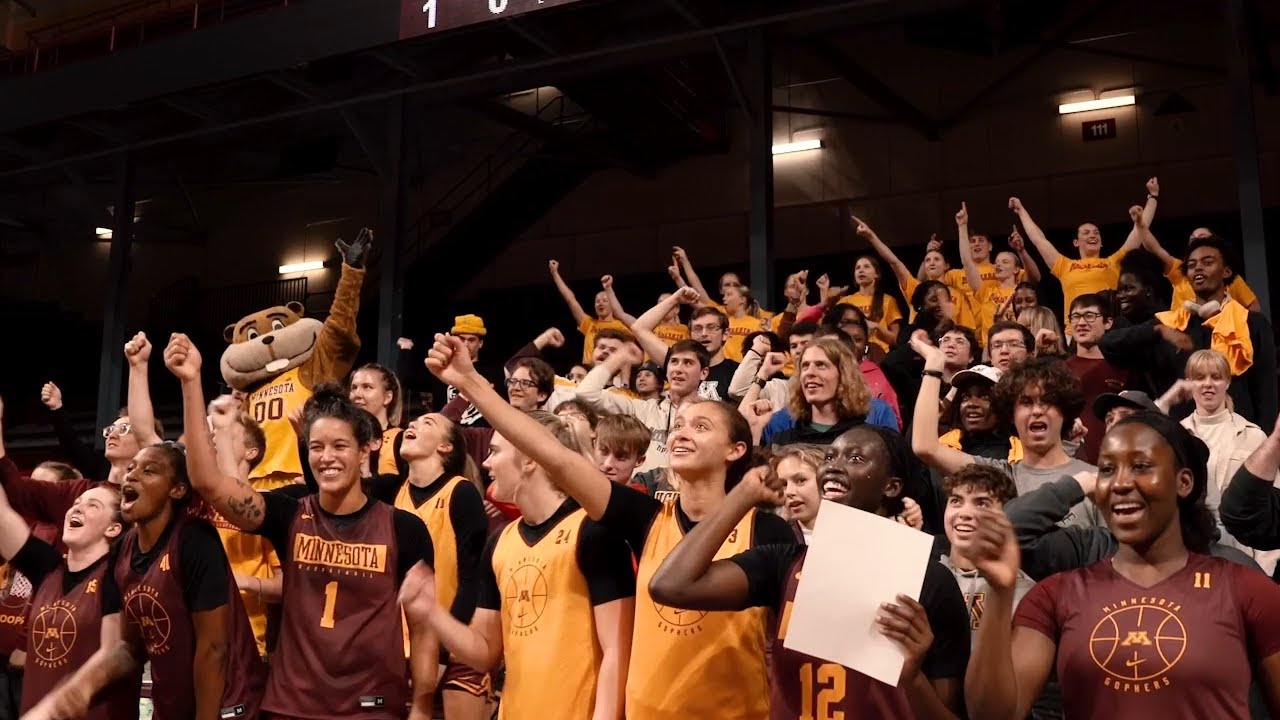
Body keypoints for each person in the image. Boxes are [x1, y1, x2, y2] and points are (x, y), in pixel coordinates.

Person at [164, 334, 438, 719]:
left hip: (372, 708)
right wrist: (190, 383)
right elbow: (209, 483)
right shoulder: (287, 515)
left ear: (365, 450)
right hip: (290, 707)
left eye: (339, 446)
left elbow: (424, 629)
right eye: (316, 447)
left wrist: (423, 707)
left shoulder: (405, 529)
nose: (326, 458)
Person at [960, 412, 1280, 720]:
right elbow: (992, 714)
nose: (1121, 483)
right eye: (1107, 470)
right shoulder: (1057, 594)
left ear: (1183, 482)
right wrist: (999, 595)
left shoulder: (1244, 586)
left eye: (1140, 466)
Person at [422, 333, 674, 718]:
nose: (486, 464)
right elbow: (485, 652)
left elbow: (617, 651)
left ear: (530, 460)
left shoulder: (592, 532)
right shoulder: (501, 541)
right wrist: (429, 609)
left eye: (495, 453)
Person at [648, 426, 970, 719]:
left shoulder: (930, 581)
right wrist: (742, 496)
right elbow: (671, 585)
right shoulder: (784, 563)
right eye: (829, 456)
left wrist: (913, 680)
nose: (833, 465)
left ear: (891, 486)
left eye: (855, 457)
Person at [35, 441, 265, 720]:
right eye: (131, 468)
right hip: (172, 704)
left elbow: (214, 649)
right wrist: (84, 685)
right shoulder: (122, 550)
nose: (132, 475)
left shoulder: (194, 540)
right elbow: (131, 647)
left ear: (177, 489)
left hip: (227, 705)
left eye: (149, 471)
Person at [913, 341, 1099, 528]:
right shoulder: (1000, 477)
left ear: (1065, 411)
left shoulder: (1096, 479)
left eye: (1047, 401)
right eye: (1026, 402)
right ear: (1011, 415)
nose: (1037, 411)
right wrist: (934, 365)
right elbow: (925, 447)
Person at [1100, 235, 1277, 432]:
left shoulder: (1251, 324)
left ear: (1226, 271)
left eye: (1207, 262)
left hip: (1239, 440)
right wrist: (1157, 330)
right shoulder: (1171, 324)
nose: (1198, 268)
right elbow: (1108, 344)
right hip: (1183, 443)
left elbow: (1266, 391)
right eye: (1192, 265)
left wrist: (1265, 442)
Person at [395, 412, 491, 719]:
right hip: (398, 645)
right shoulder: (392, 493)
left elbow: (471, 580)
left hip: (447, 647)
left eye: (427, 423)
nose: (412, 424)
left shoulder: (461, 493)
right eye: (413, 422)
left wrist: (442, 655)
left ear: (446, 447)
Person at [1161, 350, 1275, 574]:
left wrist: (1267, 569)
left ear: (1228, 382)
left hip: (1244, 553)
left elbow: (1269, 505)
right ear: (1188, 383)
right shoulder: (1176, 435)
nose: (1208, 384)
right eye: (1199, 377)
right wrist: (1165, 402)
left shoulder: (1253, 436)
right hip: (1189, 551)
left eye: (1216, 377)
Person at [575, 339, 710, 471]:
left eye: (688, 363)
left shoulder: (712, 414)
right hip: (641, 490)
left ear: (704, 373)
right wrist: (620, 356)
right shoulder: (644, 409)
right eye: (674, 362)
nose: (678, 369)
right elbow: (586, 393)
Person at [1134, 178, 1262, 313]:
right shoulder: (1180, 269)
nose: (1196, 241)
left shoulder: (1231, 278)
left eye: (1202, 237)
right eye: (1192, 239)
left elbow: (1254, 308)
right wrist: (1140, 224)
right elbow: (1155, 249)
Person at [1010, 196, 1141, 322]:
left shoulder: (1113, 262)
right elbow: (1039, 240)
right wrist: (1021, 210)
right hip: (1075, 331)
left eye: (1096, 232)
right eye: (1086, 232)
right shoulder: (1065, 265)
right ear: (1076, 242)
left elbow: (1137, 235)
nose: (1092, 235)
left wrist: (1149, 202)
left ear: (1101, 242)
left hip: (1107, 328)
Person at [1064, 294, 1130, 464]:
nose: (1081, 323)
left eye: (1090, 316)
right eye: (1076, 316)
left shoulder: (1125, 368)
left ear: (1108, 323)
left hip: (1118, 460)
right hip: (1072, 463)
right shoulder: (1060, 370)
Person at [550, 259, 629, 365]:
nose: (600, 303)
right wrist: (555, 273)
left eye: (605, 301)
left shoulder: (622, 327)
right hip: (589, 373)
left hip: (612, 374)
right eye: (597, 301)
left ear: (613, 304)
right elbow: (570, 300)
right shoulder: (589, 324)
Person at [349, 363, 407, 476]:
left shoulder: (401, 441)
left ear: (387, 397)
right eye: (354, 388)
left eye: (367, 387)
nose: (357, 394)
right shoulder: (341, 437)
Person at [838, 255, 903, 351]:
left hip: (879, 353)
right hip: (852, 352)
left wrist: (877, 327)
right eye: (858, 268)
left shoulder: (888, 300)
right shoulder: (846, 301)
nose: (861, 270)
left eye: (866, 267)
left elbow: (896, 340)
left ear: (876, 274)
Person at [772, 443, 825, 539]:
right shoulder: (772, 538)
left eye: (800, 480)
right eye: (784, 484)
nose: (789, 492)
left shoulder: (855, 531)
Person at [594, 414, 651, 488]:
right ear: (594, 445)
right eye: (603, 451)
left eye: (620, 456)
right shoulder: (577, 489)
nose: (607, 464)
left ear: (639, 461)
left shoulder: (642, 498)